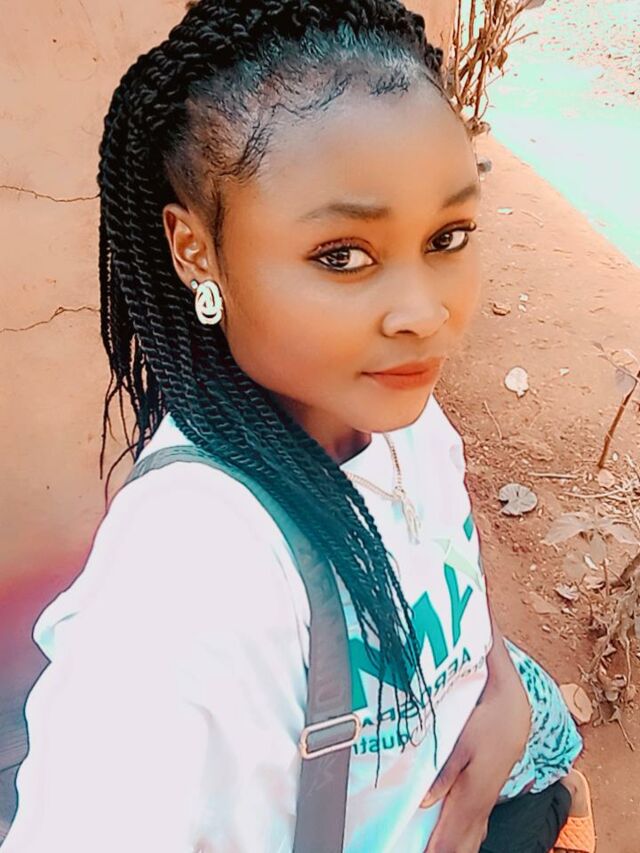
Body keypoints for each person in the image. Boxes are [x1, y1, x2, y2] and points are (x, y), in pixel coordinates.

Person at [2, 1, 594, 851]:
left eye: (448, 235)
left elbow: (439, 566)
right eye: (342, 255)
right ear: (196, 250)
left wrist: (497, 690)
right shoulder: (184, 590)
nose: (424, 313)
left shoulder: (397, 419)